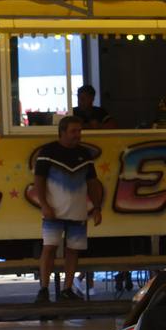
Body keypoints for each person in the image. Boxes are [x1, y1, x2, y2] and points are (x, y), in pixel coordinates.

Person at [33, 115, 102, 303]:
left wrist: (97, 208)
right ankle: (44, 290)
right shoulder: (48, 152)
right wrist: (44, 205)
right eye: (73, 131)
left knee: (73, 250)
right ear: (62, 132)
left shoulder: (85, 154)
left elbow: (92, 182)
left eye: (79, 131)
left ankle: (67, 289)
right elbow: (38, 181)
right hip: (53, 211)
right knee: (49, 248)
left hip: (78, 211)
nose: (77, 135)